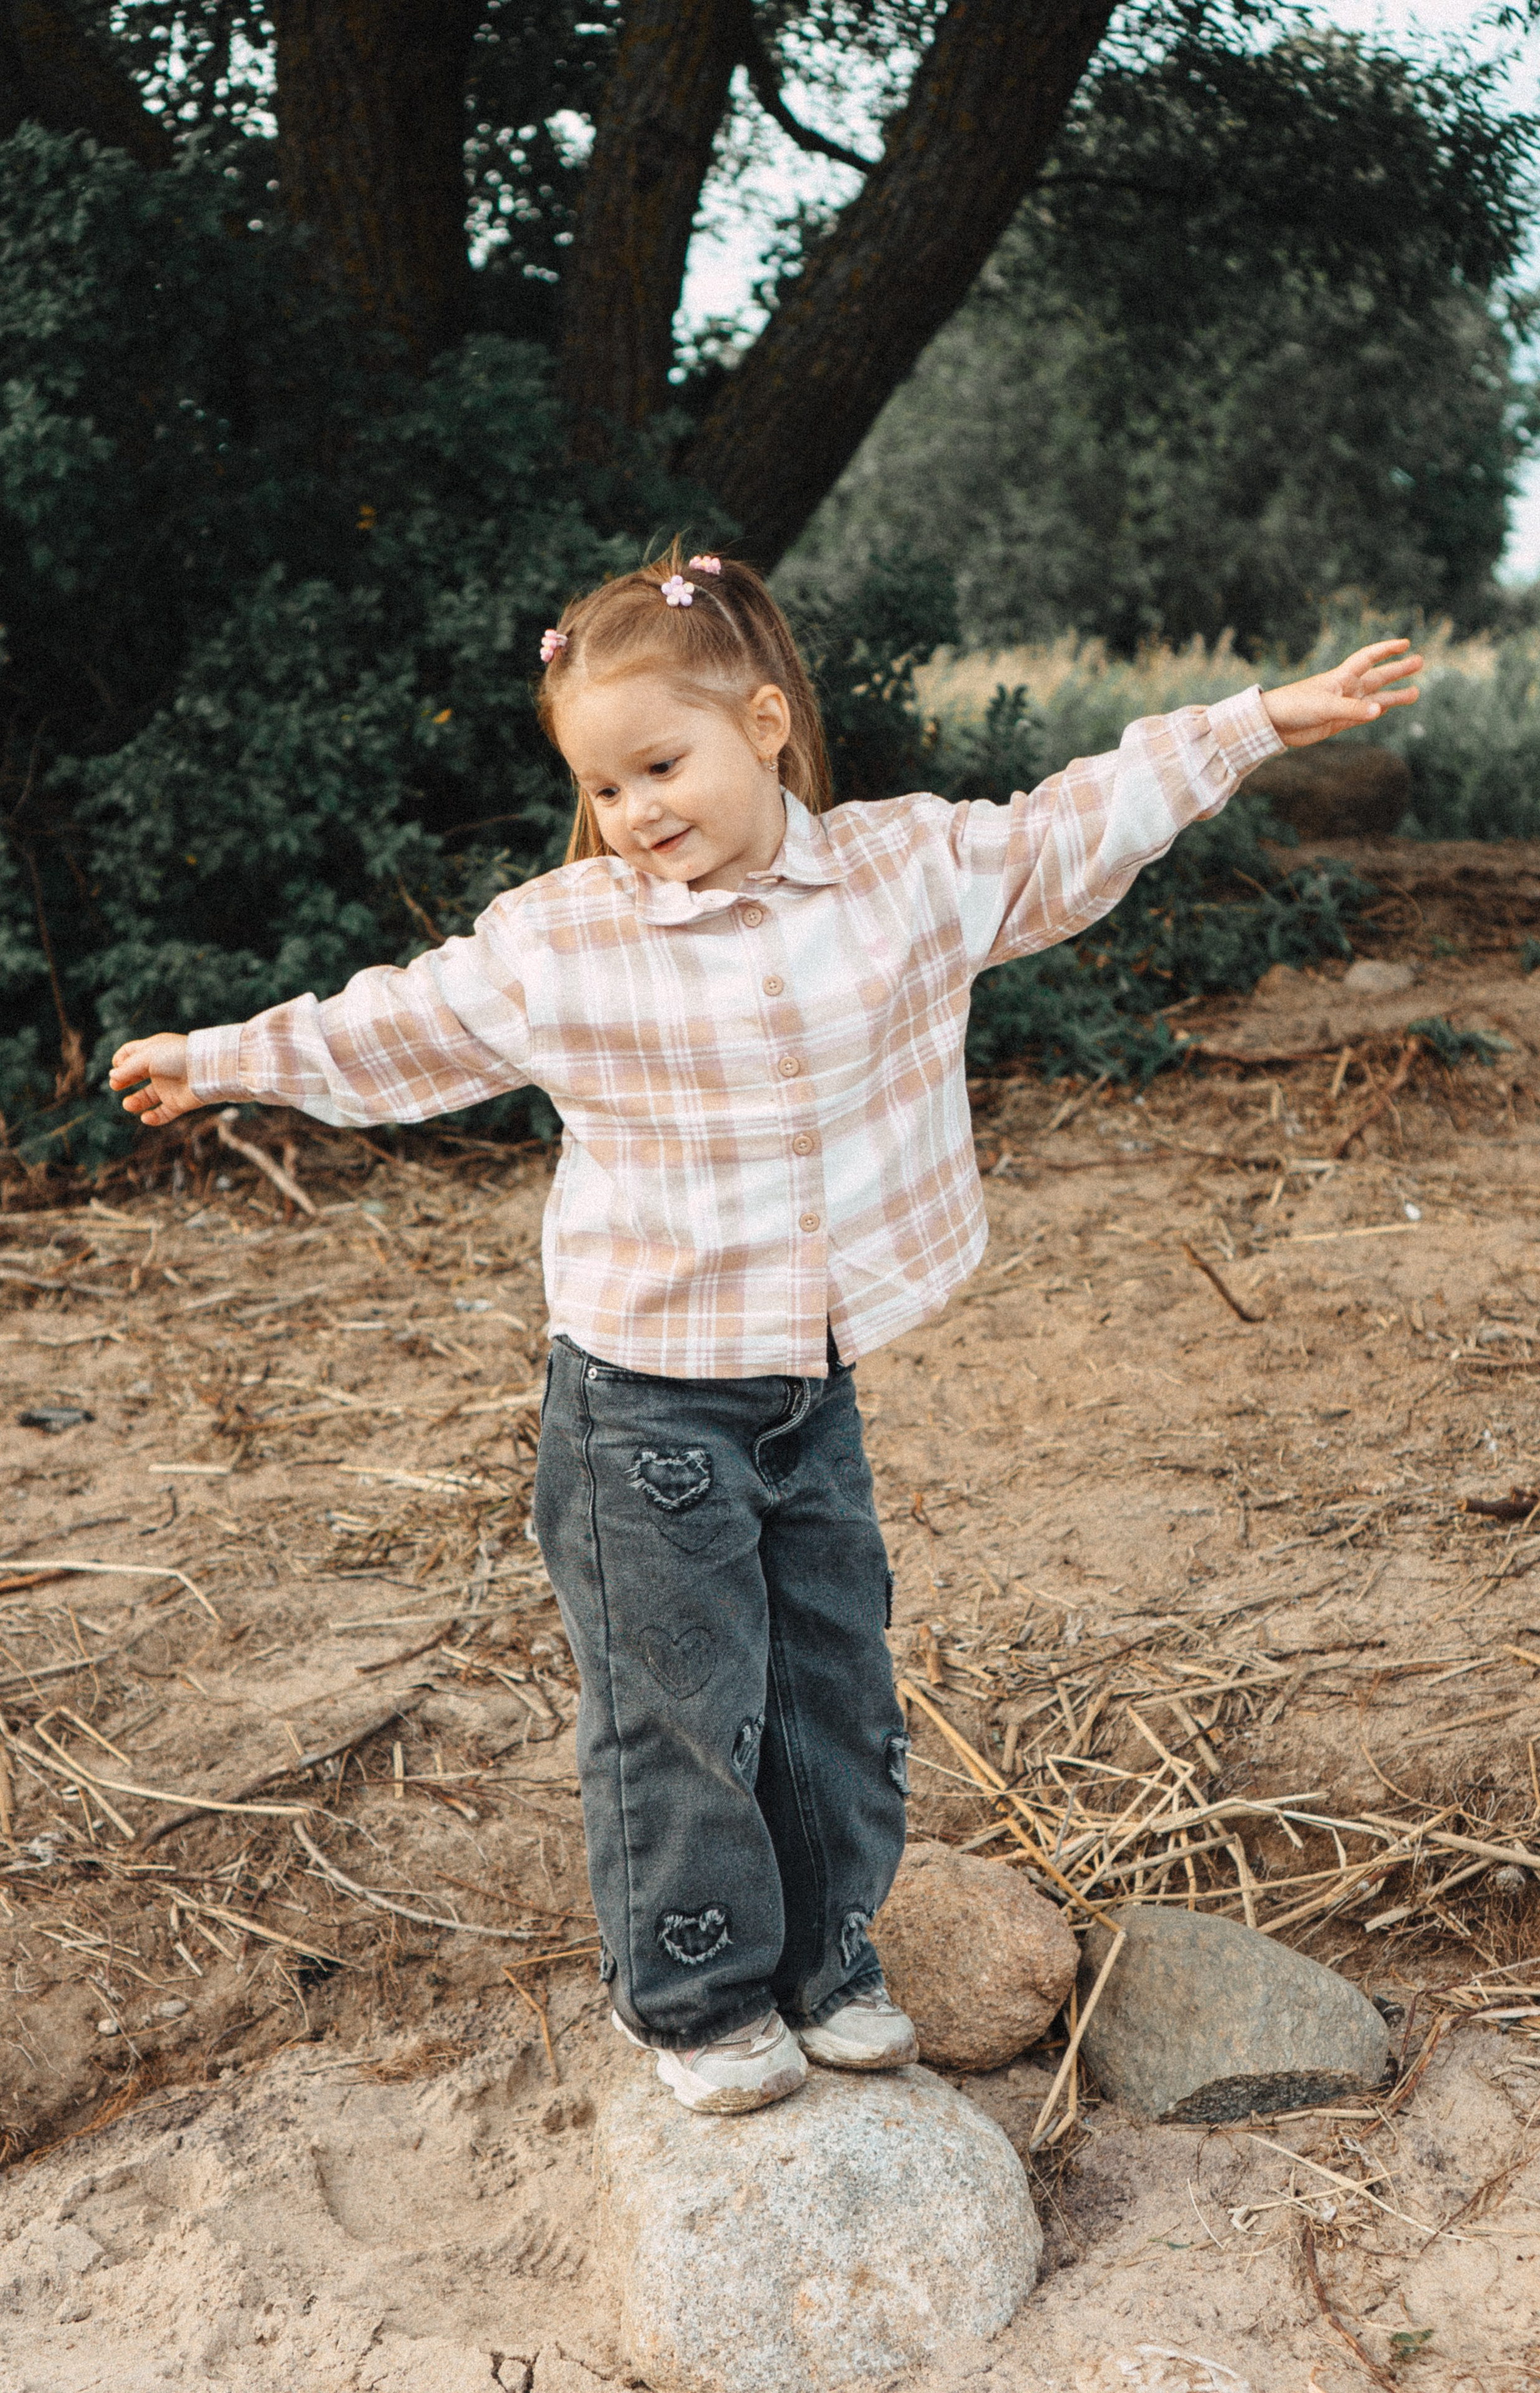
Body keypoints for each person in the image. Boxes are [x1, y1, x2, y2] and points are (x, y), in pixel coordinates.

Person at [110, 546, 1422, 2114]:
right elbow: (398, 1024)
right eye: (602, 786)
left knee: (828, 1684)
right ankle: (695, 1996)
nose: (634, 811)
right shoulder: (564, 937)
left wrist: (1259, 720)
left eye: (660, 764)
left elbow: (1082, 819)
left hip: (807, 1378)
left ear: (766, 720)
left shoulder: (902, 875)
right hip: (641, 1399)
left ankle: (825, 1962)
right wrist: (229, 1057)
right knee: (682, 1703)